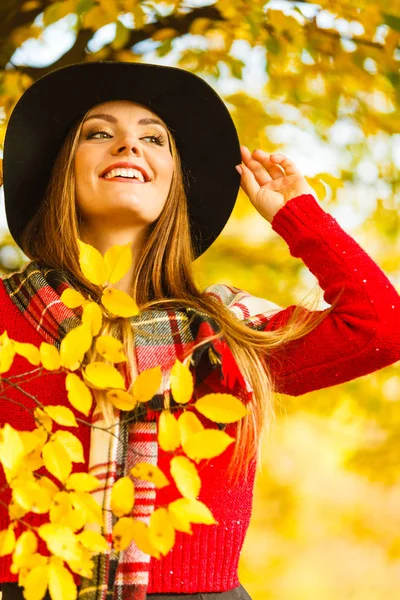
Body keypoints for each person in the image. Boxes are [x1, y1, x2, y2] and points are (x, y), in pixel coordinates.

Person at [0, 61, 399, 600]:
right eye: (99, 133)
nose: (129, 147)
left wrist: (295, 214)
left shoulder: (228, 333)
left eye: (153, 139)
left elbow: (380, 326)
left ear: (173, 181)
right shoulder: (8, 313)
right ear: (61, 171)